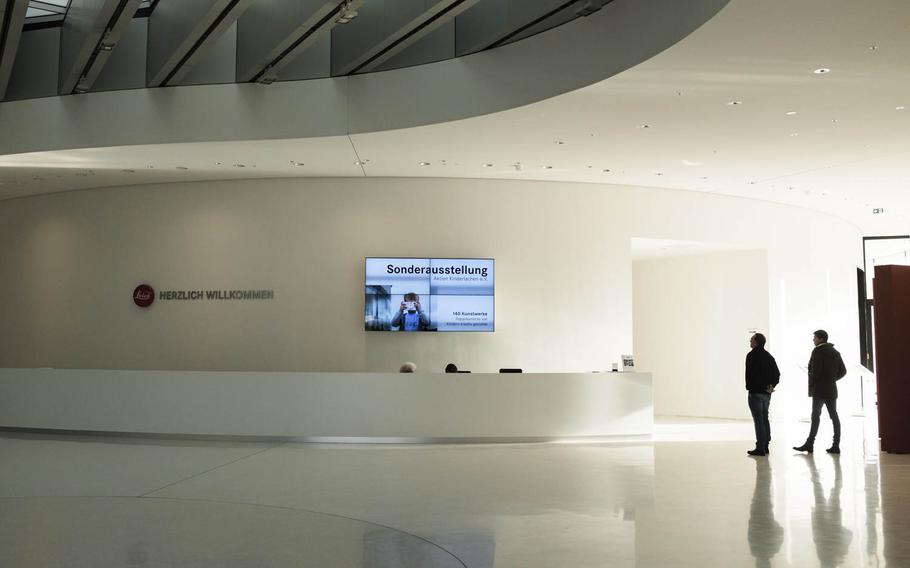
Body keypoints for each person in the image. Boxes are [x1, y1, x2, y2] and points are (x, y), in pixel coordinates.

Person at [793, 329, 847, 454]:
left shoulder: (818, 351)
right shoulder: (835, 352)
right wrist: (832, 379)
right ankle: (836, 445)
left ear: (821, 339)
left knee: (815, 416)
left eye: (815, 338)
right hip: (831, 389)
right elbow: (843, 371)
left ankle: (809, 444)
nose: (813, 340)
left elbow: (815, 371)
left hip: (819, 390)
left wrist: (812, 378)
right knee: (834, 416)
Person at [745, 333, 780, 456]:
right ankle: (765, 445)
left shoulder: (751, 355)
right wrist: (772, 385)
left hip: (755, 393)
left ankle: (760, 447)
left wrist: (751, 387)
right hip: (766, 393)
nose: (750, 341)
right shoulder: (769, 357)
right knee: (765, 418)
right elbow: (777, 374)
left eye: (752, 340)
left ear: (756, 342)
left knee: (758, 420)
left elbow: (751, 375)